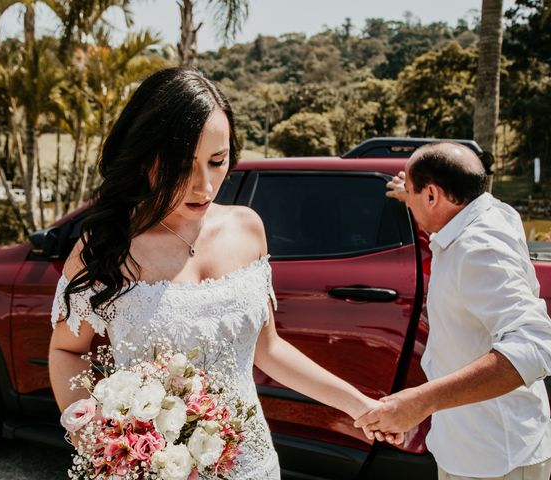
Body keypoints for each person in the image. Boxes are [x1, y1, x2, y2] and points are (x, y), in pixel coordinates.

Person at [48, 67, 399, 479]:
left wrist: (363, 406)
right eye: (182, 166)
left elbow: (269, 350)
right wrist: (96, 435)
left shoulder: (248, 229)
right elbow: (66, 350)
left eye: (217, 161)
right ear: (146, 158)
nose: (204, 185)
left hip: (251, 464)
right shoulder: (105, 246)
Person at [355, 142, 551, 480]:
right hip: (470, 445)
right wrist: (412, 194)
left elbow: (535, 345)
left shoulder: (478, 248)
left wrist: (420, 402)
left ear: (433, 195)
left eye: (416, 193)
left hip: (496, 459)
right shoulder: (492, 212)